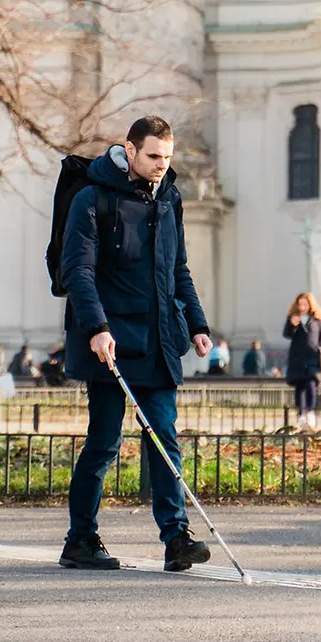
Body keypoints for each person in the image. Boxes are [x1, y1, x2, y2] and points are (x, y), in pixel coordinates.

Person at [57, 116, 215, 574]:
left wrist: (198, 324)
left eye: (167, 158)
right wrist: (96, 328)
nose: (161, 166)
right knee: (103, 444)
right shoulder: (92, 198)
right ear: (129, 150)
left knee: (165, 437)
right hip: (112, 343)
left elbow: (177, 268)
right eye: (152, 157)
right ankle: (80, 539)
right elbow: (78, 272)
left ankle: (176, 538)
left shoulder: (169, 199)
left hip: (161, 338)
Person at [283, 293, 321, 430]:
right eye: (300, 304)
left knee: (312, 385)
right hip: (298, 358)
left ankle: (311, 412)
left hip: (312, 357)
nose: (302, 307)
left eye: (305, 304)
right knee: (300, 387)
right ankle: (301, 414)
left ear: (310, 305)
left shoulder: (316, 320)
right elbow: (287, 334)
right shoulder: (293, 318)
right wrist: (292, 325)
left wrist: (320, 350)